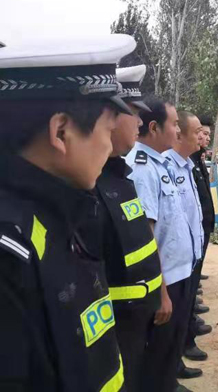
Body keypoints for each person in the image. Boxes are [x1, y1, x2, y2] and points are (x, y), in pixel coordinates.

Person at [0, 35, 136, 391]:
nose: (109, 146)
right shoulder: (9, 256)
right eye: (108, 130)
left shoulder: (59, 214)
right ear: (60, 131)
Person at [78, 65, 162, 392]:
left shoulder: (121, 177)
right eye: (133, 113)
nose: (139, 122)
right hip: (112, 324)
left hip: (137, 318)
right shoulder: (86, 187)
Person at [125, 98, 195, 392]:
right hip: (165, 281)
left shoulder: (159, 163)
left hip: (179, 274)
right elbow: (146, 238)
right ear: (154, 128)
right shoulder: (143, 170)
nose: (178, 130)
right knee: (157, 356)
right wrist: (162, 293)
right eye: (175, 124)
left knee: (169, 351)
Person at [164, 111, 210, 384]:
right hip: (172, 264)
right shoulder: (166, 166)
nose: (201, 137)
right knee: (169, 325)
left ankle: (174, 366)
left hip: (189, 256)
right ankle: (168, 375)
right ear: (179, 134)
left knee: (181, 317)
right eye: (197, 132)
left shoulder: (186, 165)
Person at [184, 115, 216, 362]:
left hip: (199, 231)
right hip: (185, 242)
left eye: (206, 134)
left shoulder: (194, 160)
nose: (203, 137)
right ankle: (185, 340)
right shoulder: (180, 163)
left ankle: (188, 328)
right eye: (200, 133)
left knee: (189, 290)